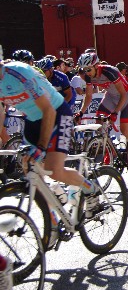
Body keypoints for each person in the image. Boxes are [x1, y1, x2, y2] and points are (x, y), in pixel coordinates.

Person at [0, 60, 102, 222]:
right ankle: (52, 219)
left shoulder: (18, 73)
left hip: (57, 113)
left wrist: (41, 147)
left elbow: (48, 110)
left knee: (53, 169)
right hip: (33, 119)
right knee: (31, 169)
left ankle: (90, 188)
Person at [75, 52, 128, 172]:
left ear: (96, 66)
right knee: (99, 122)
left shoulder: (109, 71)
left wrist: (115, 112)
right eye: (84, 70)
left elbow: (123, 94)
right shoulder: (88, 76)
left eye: (88, 69)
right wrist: (81, 112)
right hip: (111, 97)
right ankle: (110, 150)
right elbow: (89, 95)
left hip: (125, 96)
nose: (86, 72)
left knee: (124, 129)